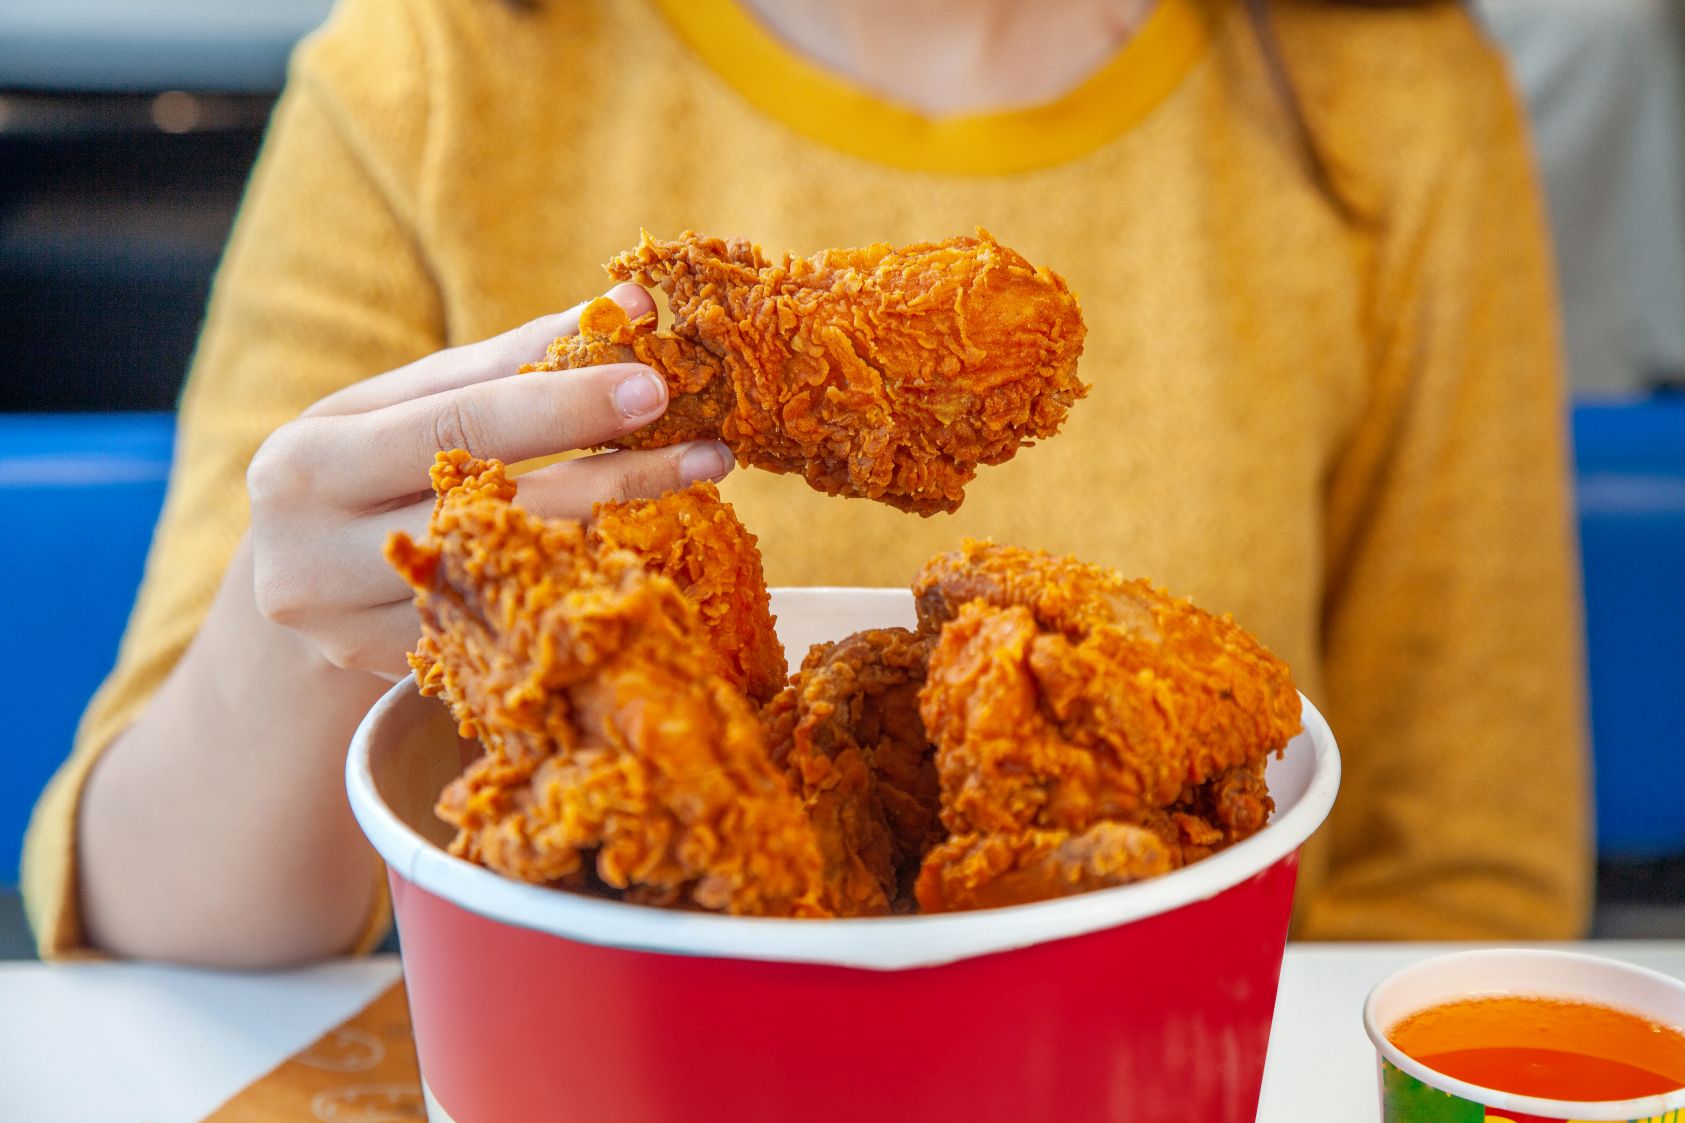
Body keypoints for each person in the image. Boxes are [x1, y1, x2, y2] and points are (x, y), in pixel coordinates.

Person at [23, 0, 1590, 965]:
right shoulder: (429, 74)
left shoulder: (1388, 102)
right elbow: (159, 927)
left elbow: (1468, 890)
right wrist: (286, 626)